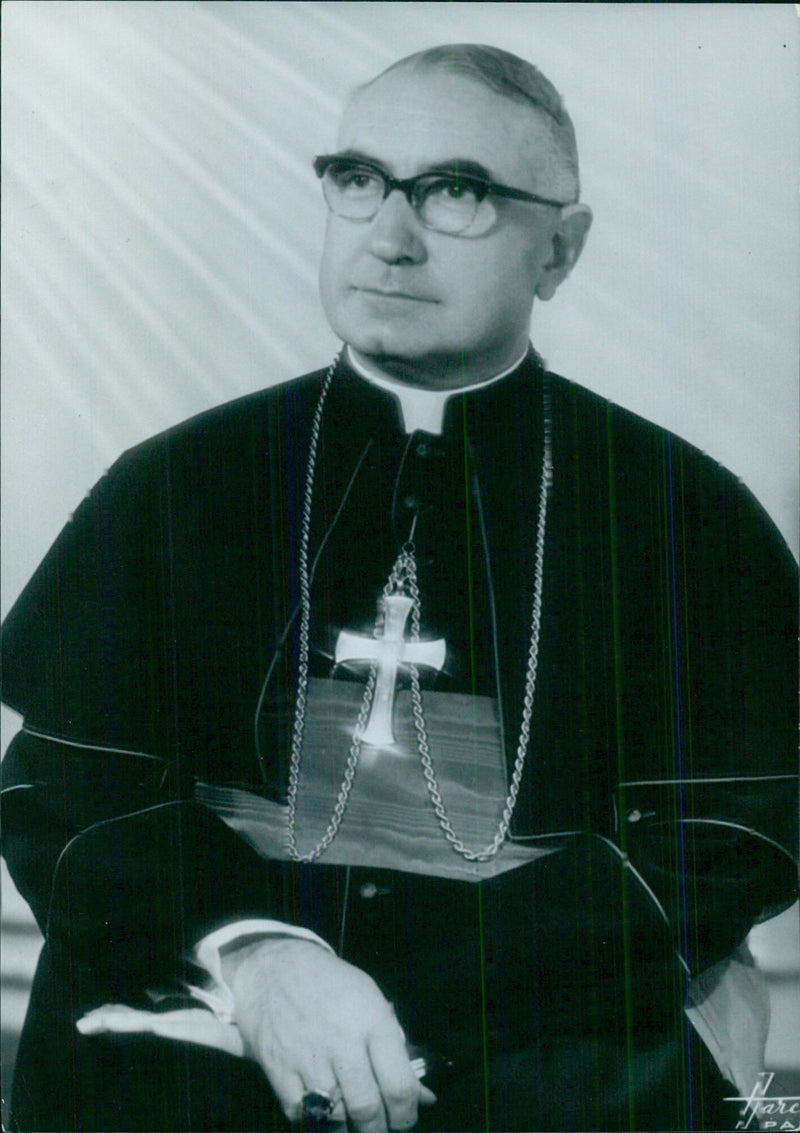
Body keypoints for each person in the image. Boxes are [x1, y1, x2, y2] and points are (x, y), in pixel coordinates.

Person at [1, 44, 796, 1133]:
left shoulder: (680, 510)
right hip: (201, 1006)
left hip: (548, 1036)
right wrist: (261, 958)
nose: (390, 234)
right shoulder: (182, 481)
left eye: (457, 192)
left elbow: (729, 837)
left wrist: (392, 993)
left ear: (558, 250)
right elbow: (62, 801)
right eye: (358, 180)